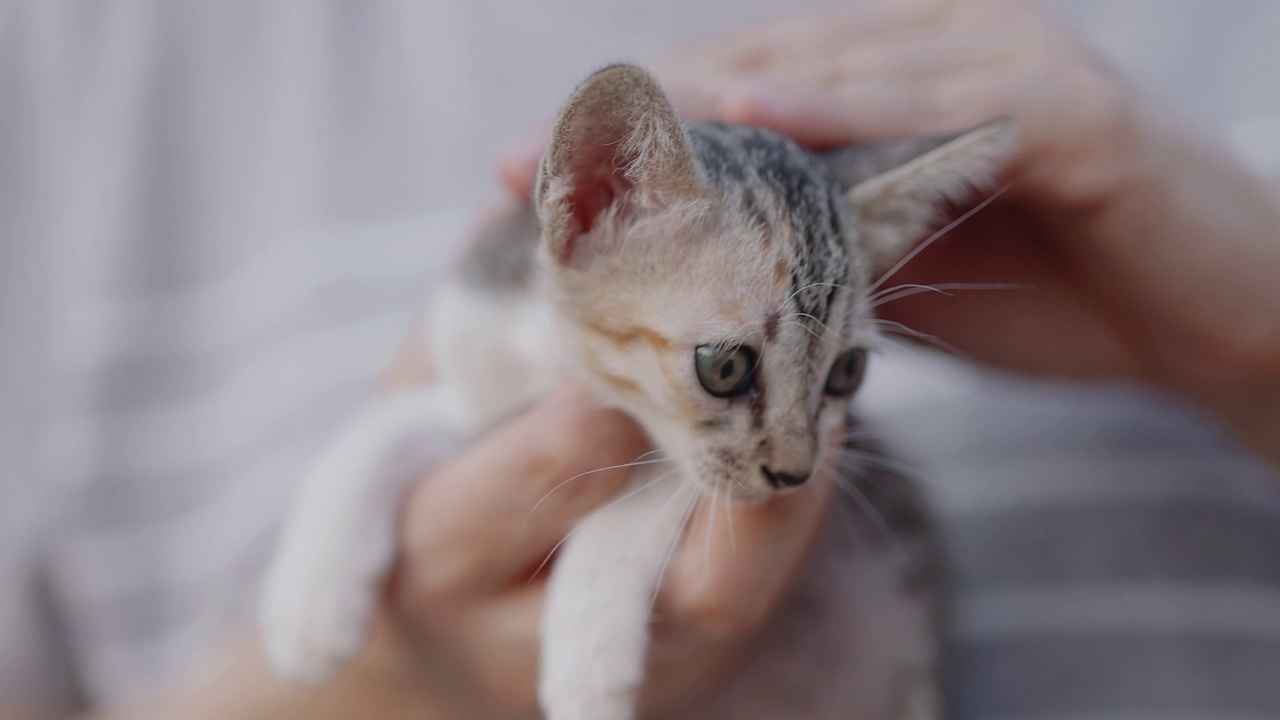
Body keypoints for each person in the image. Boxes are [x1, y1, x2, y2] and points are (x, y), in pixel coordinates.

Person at [1, 1, 1277, 718]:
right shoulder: (102, 56)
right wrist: (344, 694)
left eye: (837, 380)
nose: (789, 459)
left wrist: (1258, 345)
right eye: (732, 375)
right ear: (592, 200)